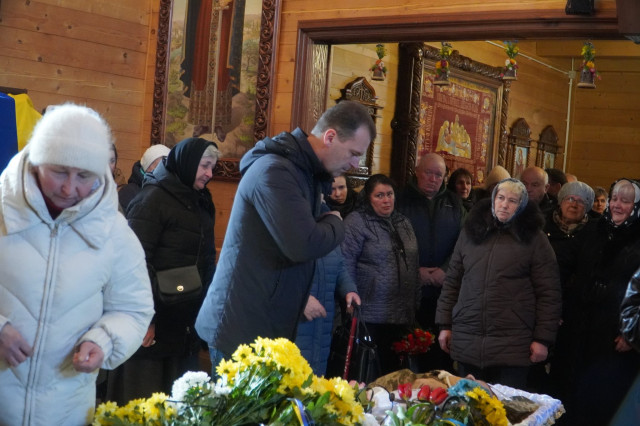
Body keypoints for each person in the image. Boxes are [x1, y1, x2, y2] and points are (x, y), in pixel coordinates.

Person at [0, 103, 154, 425]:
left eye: (84, 176)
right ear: (37, 160)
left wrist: (104, 340)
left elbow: (134, 309)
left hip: (66, 410)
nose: (69, 188)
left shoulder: (114, 232)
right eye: (58, 171)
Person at [195, 100, 376, 370]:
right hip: (240, 327)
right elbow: (303, 244)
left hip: (265, 321)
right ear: (330, 137)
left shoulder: (304, 173)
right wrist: (337, 223)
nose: (355, 164)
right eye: (353, 153)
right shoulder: (276, 171)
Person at [106, 137, 219, 403]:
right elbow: (134, 263)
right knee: (143, 404)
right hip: (153, 325)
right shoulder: (152, 199)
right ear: (188, 163)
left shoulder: (201, 200)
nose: (209, 174)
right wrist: (146, 318)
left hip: (184, 325)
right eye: (204, 166)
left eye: (212, 168)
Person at [436, 178, 562, 390]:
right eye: (501, 198)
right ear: (493, 199)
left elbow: (549, 294)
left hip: (512, 346)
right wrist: (445, 325)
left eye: (512, 201)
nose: (504, 204)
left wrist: (542, 339)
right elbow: (452, 282)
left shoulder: (535, 239)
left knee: (504, 408)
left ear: (521, 205)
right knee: (467, 405)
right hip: (468, 339)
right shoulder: (470, 233)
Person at [559, 178, 640, 425]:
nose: (616, 205)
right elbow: (565, 263)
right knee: (571, 395)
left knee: (603, 402)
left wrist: (632, 334)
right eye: (614, 199)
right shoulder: (594, 229)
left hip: (616, 337)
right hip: (580, 328)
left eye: (625, 201)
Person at [342, 174, 419, 377]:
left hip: (402, 312)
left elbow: (413, 263)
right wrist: (349, 294)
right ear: (368, 198)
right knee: (371, 373)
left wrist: (415, 300)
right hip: (370, 312)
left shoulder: (403, 222)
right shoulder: (356, 222)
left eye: (390, 194)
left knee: (396, 374)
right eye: (379, 195)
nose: (386, 200)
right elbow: (346, 262)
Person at [396, 153, 466, 372]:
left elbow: (464, 242)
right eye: (428, 173)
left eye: (439, 175)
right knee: (408, 355)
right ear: (417, 171)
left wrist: (446, 270)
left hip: (443, 293)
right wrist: (414, 272)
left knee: (440, 357)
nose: (433, 179)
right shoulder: (399, 200)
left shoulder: (455, 203)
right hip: (407, 291)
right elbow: (390, 242)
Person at [541, 181, 596, 395]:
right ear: (561, 201)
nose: (574, 204)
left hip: (574, 308)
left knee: (564, 367)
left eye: (581, 202)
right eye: (570, 199)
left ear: (587, 207)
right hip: (541, 302)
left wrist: (563, 308)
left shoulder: (594, 232)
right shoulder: (543, 224)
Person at [295, 244, 360, 376]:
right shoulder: (286, 233)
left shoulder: (327, 234)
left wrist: (349, 289)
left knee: (315, 379)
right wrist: (300, 300)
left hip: (322, 330)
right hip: (293, 328)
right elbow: (270, 276)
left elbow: (339, 266)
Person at [118, 144, 171, 212]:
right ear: (146, 168)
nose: (164, 172)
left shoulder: (173, 192)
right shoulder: (128, 193)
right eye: (159, 167)